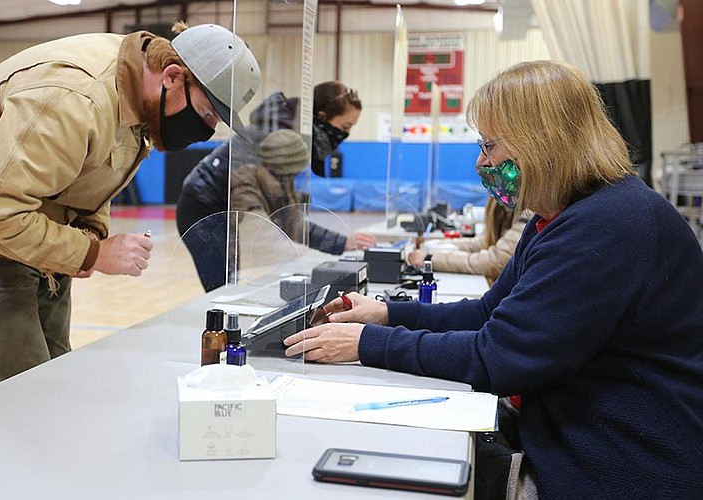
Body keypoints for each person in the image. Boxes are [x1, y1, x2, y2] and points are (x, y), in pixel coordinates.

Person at [283, 60, 703, 498]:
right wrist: (387, 313)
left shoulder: (609, 225)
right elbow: (489, 312)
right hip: (578, 434)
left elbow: (498, 358)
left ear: (541, 141)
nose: (482, 161)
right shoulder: (562, 217)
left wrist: (365, 342)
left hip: (618, 467)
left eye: (490, 145)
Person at [0, 22, 261, 396]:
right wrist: (94, 254)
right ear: (173, 77)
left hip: (35, 226)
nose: (207, 129)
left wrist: (91, 232)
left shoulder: (140, 94)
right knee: (17, 397)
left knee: (55, 375)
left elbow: (94, 170)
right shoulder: (75, 98)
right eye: (208, 114)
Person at [176, 81, 376, 291]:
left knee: (228, 286)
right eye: (345, 127)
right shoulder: (281, 139)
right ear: (322, 117)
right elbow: (286, 218)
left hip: (220, 209)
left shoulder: (286, 130)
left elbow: (284, 213)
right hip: (203, 207)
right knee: (222, 290)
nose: (345, 135)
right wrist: (339, 242)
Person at [407, 197, 533, 284]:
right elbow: (482, 243)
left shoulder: (530, 211)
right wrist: (430, 246)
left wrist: (430, 259)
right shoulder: (515, 204)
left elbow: (495, 261)